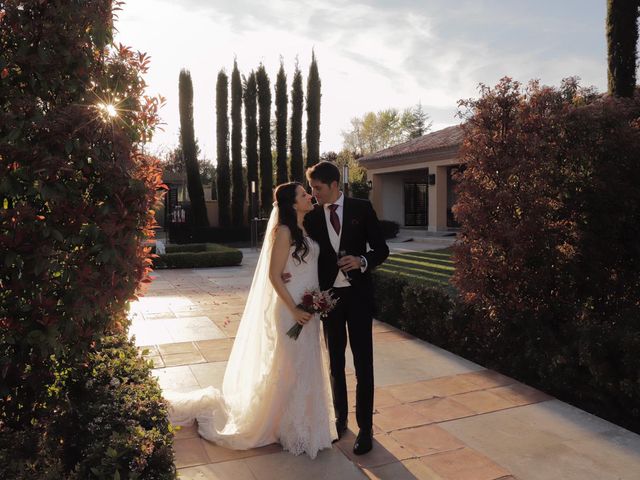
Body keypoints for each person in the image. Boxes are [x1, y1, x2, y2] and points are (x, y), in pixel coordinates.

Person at [163, 182, 337, 459]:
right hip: (291, 308)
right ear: (292, 204)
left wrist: (314, 301)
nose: (309, 197)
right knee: (290, 366)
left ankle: (304, 424)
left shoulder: (306, 227)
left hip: (309, 306)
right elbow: (273, 275)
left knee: (306, 364)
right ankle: (288, 427)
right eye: (304, 194)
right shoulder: (283, 231)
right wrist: (293, 309)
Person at [303, 161, 389, 455]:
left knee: (364, 363)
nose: (314, 194)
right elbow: (305, 253)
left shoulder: (361, 208)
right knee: (335, 362)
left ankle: (365, 428)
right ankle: (340, 421)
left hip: (360, 298)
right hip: (329, 299)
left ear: (335, 185)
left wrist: (362, 261)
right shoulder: (312, 216)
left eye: (318, 188)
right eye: (312, 189)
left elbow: (382, 249)